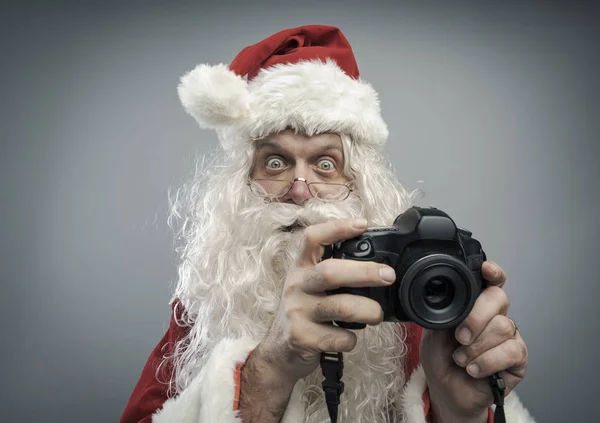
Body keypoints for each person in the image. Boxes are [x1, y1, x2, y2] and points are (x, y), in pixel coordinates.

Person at [119, 25, 535, 423]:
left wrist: (457, 413)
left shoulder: (410, 308)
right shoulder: (205, 308)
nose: (300, 191)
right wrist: (268, 370)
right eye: (276, 162)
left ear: (359, 184)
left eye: (325, 163)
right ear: (241, 184)